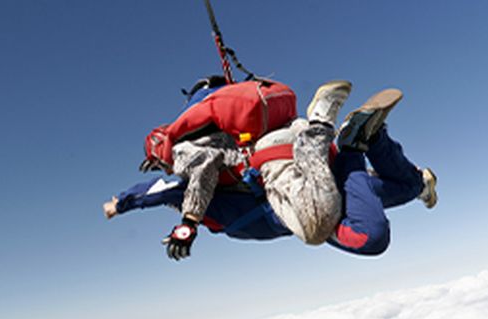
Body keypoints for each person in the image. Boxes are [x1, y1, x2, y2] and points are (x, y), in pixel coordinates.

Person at [105, 89, 437, 256]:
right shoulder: (225, 150)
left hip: (294, 203)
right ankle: (387, 152)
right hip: (313, 166)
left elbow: (159, 188)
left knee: (369, 237)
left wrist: (119, 204)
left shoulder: (188, 178)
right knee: (406, 185)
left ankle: (354, 145)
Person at [138, 77, 353, 259]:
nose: (166, 171)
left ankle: (321, 122)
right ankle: (359, 143)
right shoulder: (214, 111)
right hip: (290, 130)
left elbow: (203, 169)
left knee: (315, 227)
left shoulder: (180, 148)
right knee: (355, 191)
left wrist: (189, 222)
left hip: (270, 156)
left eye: (159, 166)